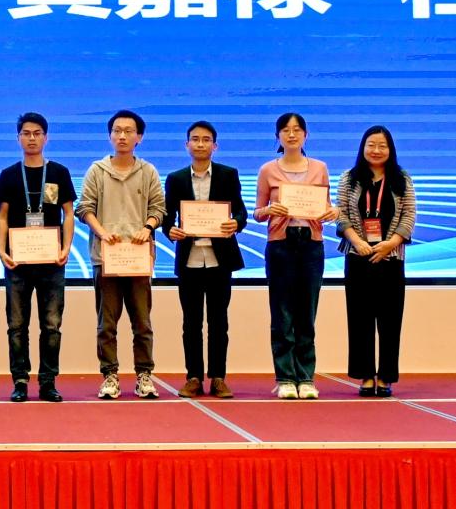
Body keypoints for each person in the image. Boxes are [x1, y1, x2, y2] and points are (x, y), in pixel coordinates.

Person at [77, 110, 165, 400]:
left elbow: (159, 209)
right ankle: (110, 376)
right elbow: (84, 208)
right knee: (107, 324)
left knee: (142, 323)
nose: (122, 136)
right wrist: (102, 233)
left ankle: (144, 375)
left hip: (138, 259)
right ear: (110, 136)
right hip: (106, 258)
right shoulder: (97, 171)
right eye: (117, 130)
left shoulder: (148, 171)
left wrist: (147, 228)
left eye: (129, 131)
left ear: (139, 137)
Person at [254, 111, 338, 400]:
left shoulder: (320, 168)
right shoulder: (268, 170)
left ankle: (306, 377)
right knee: (282, 313)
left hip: (311, 244)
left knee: (306, 312)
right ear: (278, 136)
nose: (291, 134)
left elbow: (327, 205)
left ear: (306, 135)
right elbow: (257, 213)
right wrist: (269, 210)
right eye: (286, 130)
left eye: (297, 129)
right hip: (281, 244)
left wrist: (332, 212)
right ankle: (285, 377)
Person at [162, 120, 247, 400]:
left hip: (219, 260)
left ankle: (219, 377)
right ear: (186, 145)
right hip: (189, 260)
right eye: (195, 139)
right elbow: (167, 218)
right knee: (191, 323)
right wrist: (170, 231)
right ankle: (194, 377)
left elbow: (241, 212)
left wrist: (236, 223)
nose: (200, 144)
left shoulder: (228, 174)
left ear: (215, 145)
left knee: (219, 322)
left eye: (206, 139)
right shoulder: (175, 179)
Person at [0, 112, 75, 403]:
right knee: (17, 326)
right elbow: (2, 217)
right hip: (18, 262)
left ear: (46, 137)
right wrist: (1, 249)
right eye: (26, 133)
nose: (32, 138)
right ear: (18, 138)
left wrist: (66, 248)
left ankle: (48, 381)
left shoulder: (59, 173)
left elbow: (68, 214)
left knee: (51, 325)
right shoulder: (9, 174)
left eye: (37, 133)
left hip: (52, 262)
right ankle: (20, 381)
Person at [338, 125, 417, 398]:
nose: (376, 150)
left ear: (390, 149)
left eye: (382, 146)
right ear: (363, 147)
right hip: (357, 257)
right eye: (371, 145)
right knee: (359, 320)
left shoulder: (402, 178)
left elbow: (409, 216)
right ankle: (365, 376)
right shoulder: (349, 178)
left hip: (391, 258)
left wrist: (390, 244)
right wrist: (358, 242)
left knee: (390, 321)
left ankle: (385, 376)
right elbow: (341, 215)